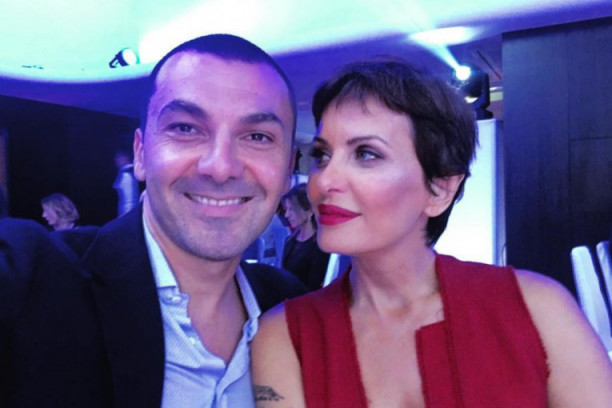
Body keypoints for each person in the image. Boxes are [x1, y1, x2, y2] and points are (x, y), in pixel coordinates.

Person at [252, 59, 612, 407]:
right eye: (322, 155)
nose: (324, 181)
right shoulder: (286, 336)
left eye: (366, 154)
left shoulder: (536, 309)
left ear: (440, 189)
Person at [0, 34, 306, 408]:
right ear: (141, 154)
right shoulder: (34, 281)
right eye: (186, 128)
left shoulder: (291, 306)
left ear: (288, 169)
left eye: (257, 136)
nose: (220, 167)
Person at [281, 183, 329, 291]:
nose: (286, 215)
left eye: (292, 209)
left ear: (309, 211)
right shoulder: (289, 241)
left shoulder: (319, 246)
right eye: (286, 209)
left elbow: (314, 287)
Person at [113, 149, 140, 217]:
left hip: (128, 215)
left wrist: (126, 217)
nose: (115, 160)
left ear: (124, 158)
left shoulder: (127, 174)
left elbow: (130, 201)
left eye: (118, 157)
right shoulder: (128, 172)